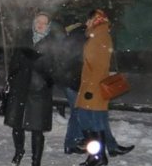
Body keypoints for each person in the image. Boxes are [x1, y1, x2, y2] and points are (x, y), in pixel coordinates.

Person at [56, 22, 134, 157]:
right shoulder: (84, 38)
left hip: (75, 82)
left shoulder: (76, 37)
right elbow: (84, 62)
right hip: (79, 83)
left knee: (83, 114)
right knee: (95, 115)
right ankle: (105, 147)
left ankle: (73, 144)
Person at [3, 12, 56, 166]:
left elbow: (55, 69)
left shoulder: (52, 44)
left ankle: (36, 163)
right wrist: (12, 78)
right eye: (38, 21)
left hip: (39, 92)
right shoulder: (23, 40)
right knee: (17, 125)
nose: (40, 24)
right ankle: (19, 152)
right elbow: (14, 62)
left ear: (48, 26)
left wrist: (44, 78)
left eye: (44, 23)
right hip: (20, 89)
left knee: (36, 129)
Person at [76, 9, 116, 166]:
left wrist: (91, 87)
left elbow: (100, 66)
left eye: (89, 20)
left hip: (94, 87)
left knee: (96, 122)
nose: (86, 23)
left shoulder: (101, 36)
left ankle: (99, 156)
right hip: (90, 85)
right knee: (86, 120)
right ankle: (95, 155)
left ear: (96, 20)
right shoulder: (96, 35)